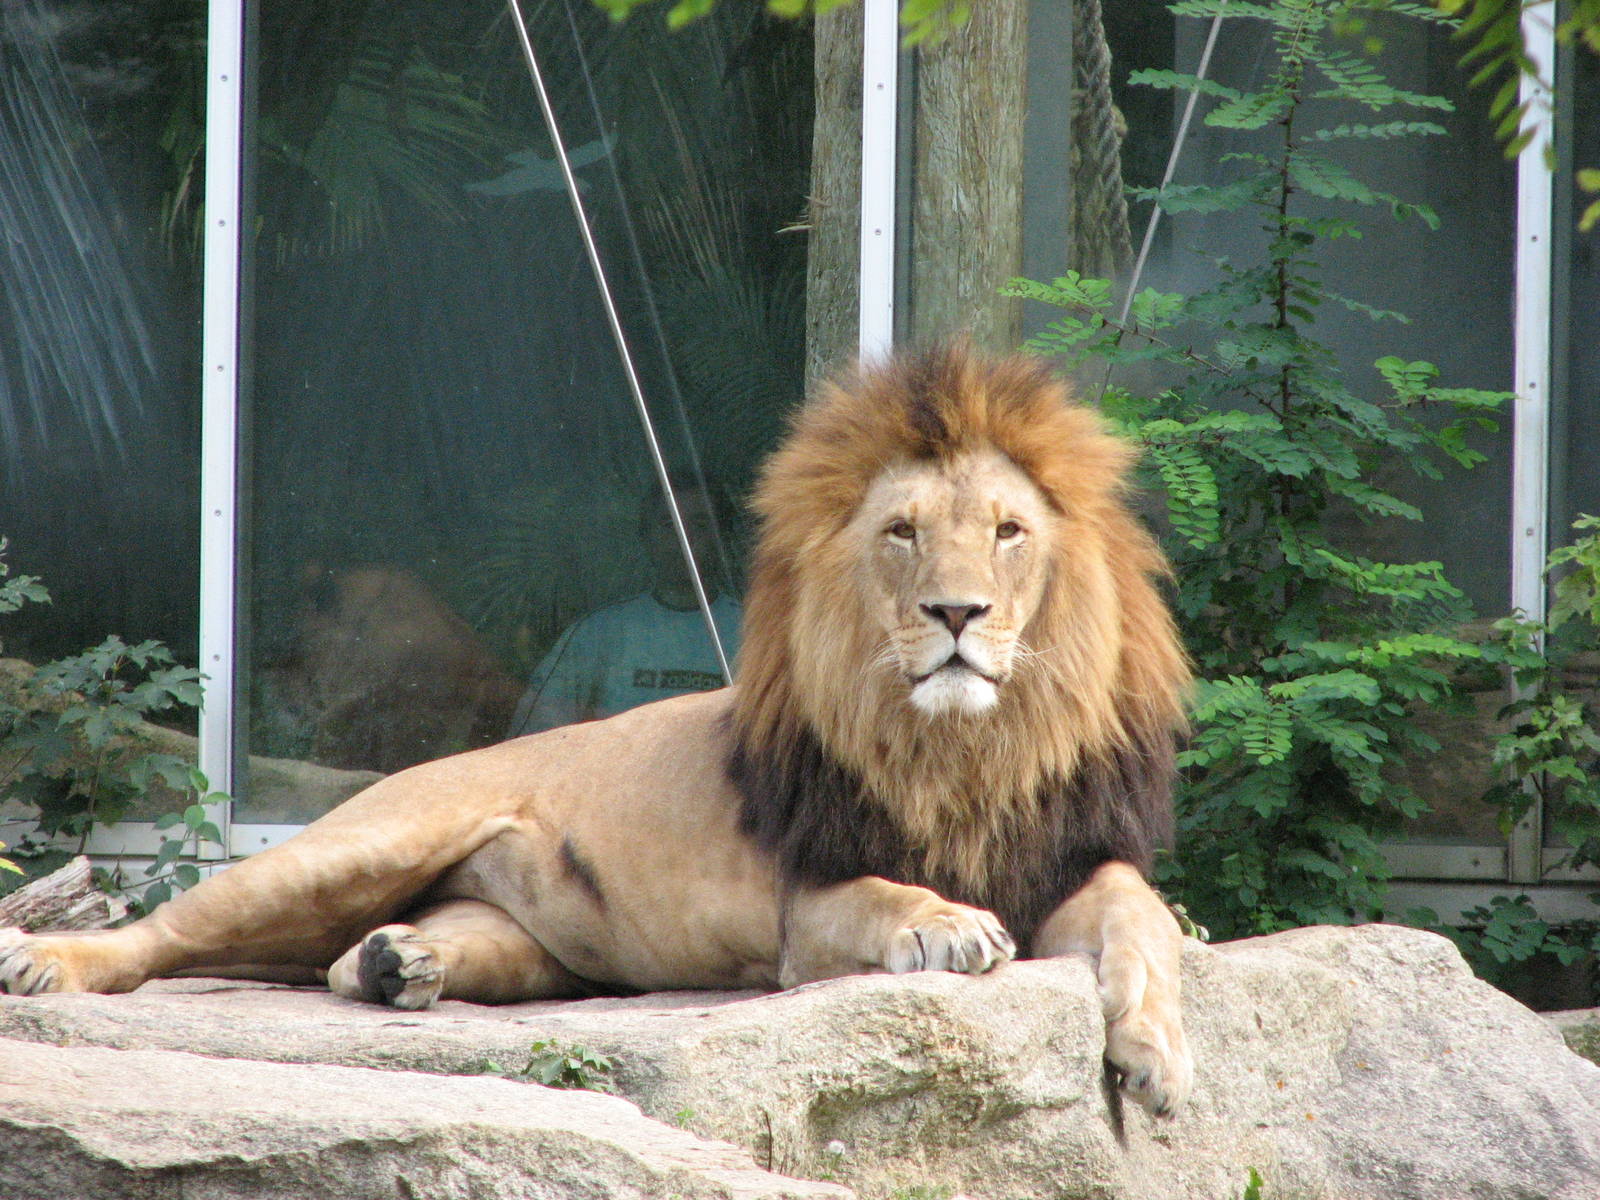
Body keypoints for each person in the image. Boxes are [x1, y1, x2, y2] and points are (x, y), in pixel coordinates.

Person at [505, 473, 741, 737]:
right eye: (669, 524)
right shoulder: (597, 633)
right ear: (646, 537)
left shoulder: (754, 636)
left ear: (723, 536)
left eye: (700, 524)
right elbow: (536, 736)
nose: (685, 538)